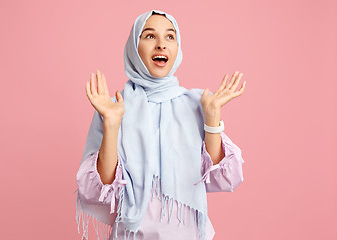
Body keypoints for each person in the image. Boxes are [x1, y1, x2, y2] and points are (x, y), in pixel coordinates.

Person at [75, 10, 246, 240]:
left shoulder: (198, 104)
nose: (161, 45)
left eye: (170, 37)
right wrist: (112, 124)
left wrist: (213, 117)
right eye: (149, 36)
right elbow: (98, 191)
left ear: (178, 48)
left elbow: (225, 179)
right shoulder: (114, 106)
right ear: (134, 48)